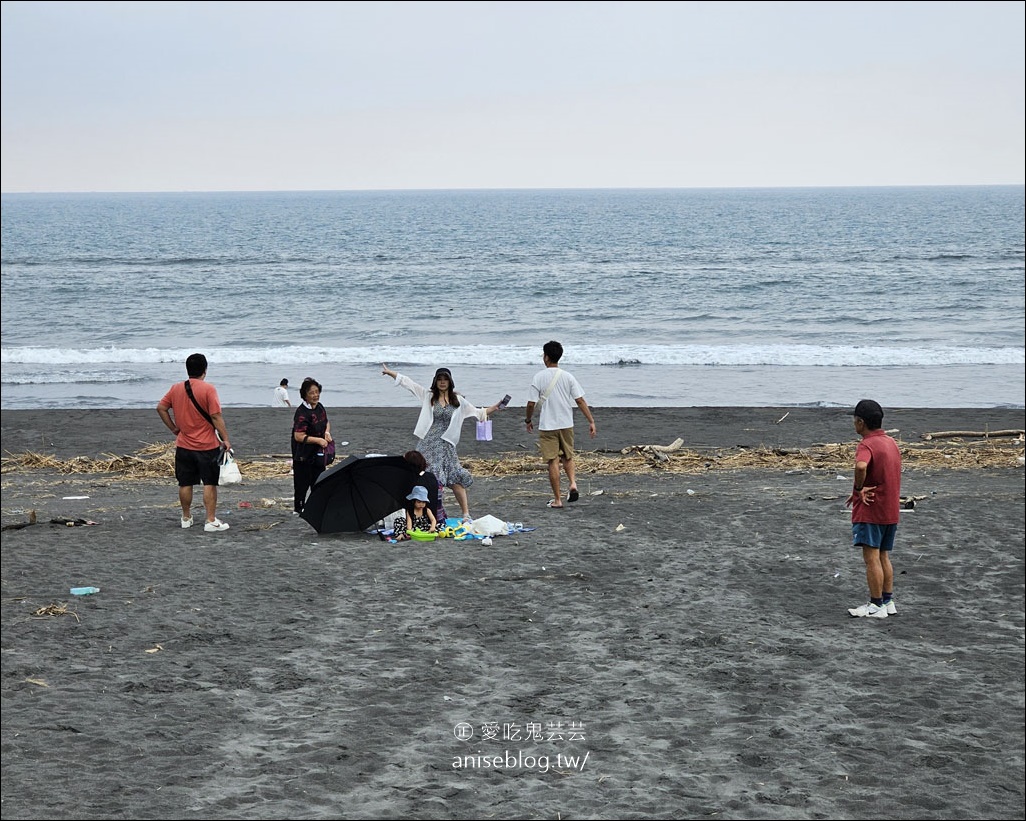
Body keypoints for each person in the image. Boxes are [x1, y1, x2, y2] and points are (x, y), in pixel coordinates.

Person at [381, 364, 504, 523]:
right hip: (428, 443)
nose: (442, 382)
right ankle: (429, 514)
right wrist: (391, 373)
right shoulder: (428, 396)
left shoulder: (458, 401)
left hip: (447, 445)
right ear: (435, 381)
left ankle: (466, 514)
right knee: (427, 478)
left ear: (450, 381)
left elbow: (478, 413)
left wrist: (497, 406)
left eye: (445, 379)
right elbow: (409, 383)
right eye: (439, 379)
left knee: (455, 479)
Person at [156, 352, 232, 532]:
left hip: (184, 444)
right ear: (205, 370)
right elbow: (215, 415)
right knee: (209, 483)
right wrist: (226, 439)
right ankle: (210, 520)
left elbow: (161, 408)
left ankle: (186, 517)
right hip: (207, 445)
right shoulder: (208, 389)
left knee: (185, 483)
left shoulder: (176, 388)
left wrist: (174, 428)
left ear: (187, 369)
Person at [845, 399, 902, 619]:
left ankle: (875, 604)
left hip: (872, 508)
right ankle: (888, 601)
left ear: (860, 422)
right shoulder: (891, 442)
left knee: (871, 558)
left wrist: (859, 488)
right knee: (884, 555)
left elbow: (861, 465)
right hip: (890, 509)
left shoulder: (866, 444)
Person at [524, 340, 596, 509]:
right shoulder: (568, 376)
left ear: (546, 357)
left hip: (548, 425)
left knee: (552, 461)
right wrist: (591, 421)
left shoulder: (539, 377)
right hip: (566, 423)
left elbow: (530, 404)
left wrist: (528, 420)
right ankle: (572, 484)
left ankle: (557, 500)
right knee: (568, 456)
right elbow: (580, 400)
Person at [291, 377, 333, 515]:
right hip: (303, 454)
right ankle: (299, 508)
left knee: (319, 480)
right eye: (312, 393)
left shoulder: (320, 407)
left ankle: (317, 506)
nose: (315, 395)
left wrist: (326, 433)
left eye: (317, 392)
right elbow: (298, 435)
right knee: (302, 483)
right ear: (305, 395)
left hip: (318, 453)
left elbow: (326, 421)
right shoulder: (302, 413)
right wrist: (317, 440)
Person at [403, 449, 447, 524]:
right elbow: (438, 501)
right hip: (437, 520)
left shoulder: (406, 481)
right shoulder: (434, 478)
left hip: (414, 522)